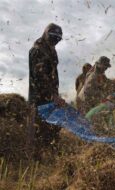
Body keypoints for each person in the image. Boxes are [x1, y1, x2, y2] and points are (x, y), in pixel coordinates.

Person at [28, 23, 65, 151]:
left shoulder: (51, 50)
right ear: (46, 35)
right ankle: (38, 159)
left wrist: (56, 94)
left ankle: (52, 152)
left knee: (53, 126)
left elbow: (53, 76)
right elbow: (40, 77)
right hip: (39, 98)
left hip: (51, 96)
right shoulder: (37, 50)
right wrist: (54, 95)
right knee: (39, 129)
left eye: (58, 40)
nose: (55, 42)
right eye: (53, 38)